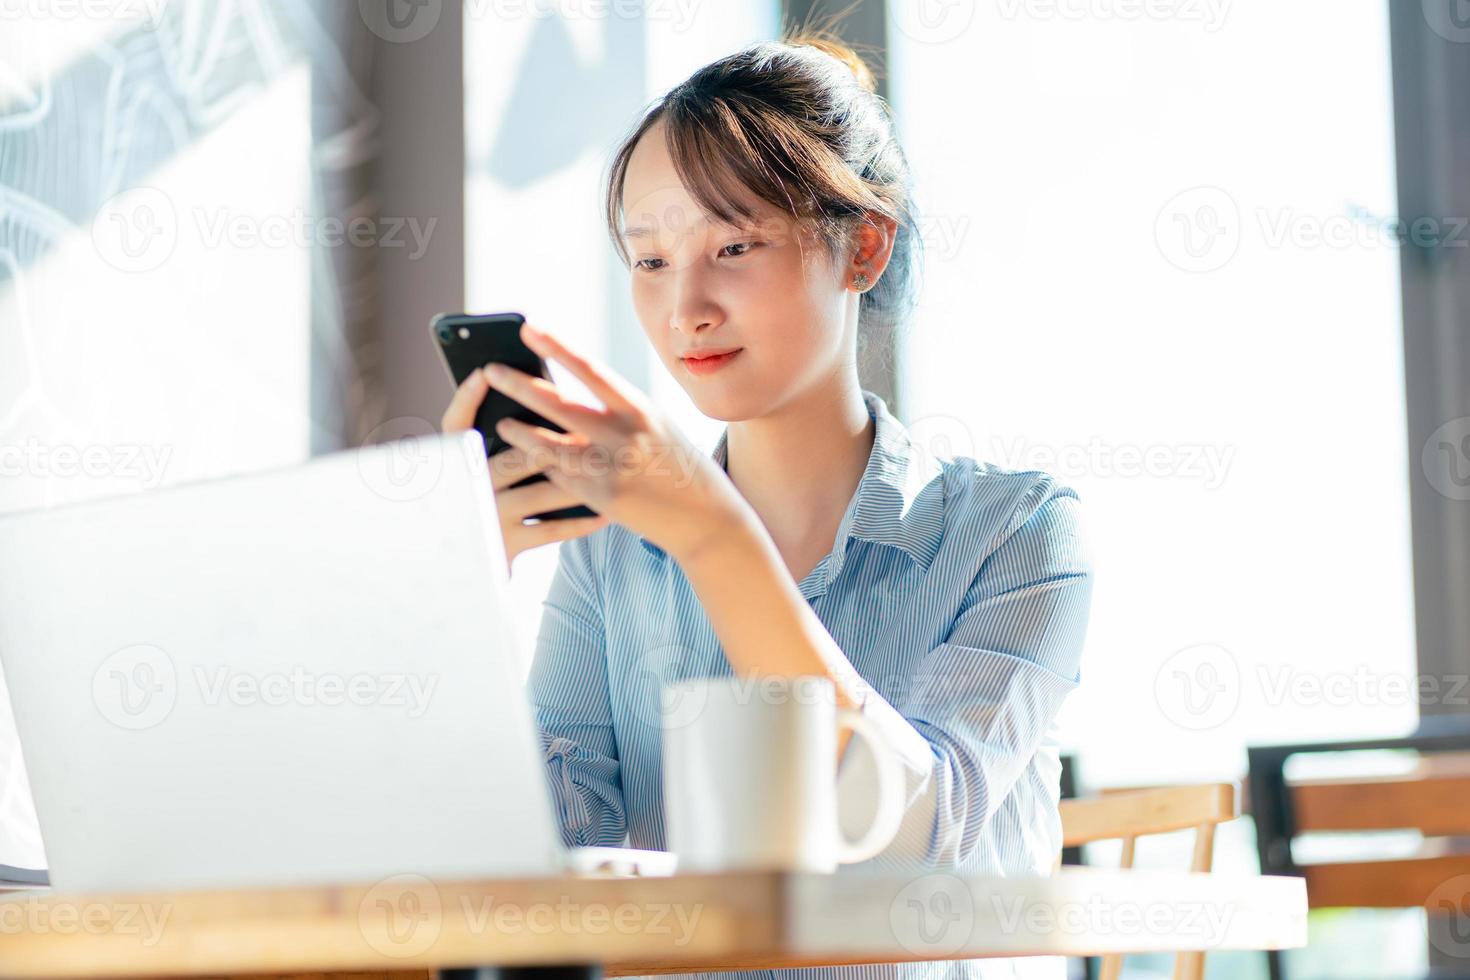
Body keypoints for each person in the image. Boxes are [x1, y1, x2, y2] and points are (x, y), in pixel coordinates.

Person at [441, 29, 1094, 980]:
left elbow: (909, 840)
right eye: (650, 260)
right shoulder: (612, 554)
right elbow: (549, 864)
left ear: (863, 247)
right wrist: (466, 593)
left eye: (734, 245)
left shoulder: (1020, 531)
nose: (685, 308)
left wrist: (712, 535)